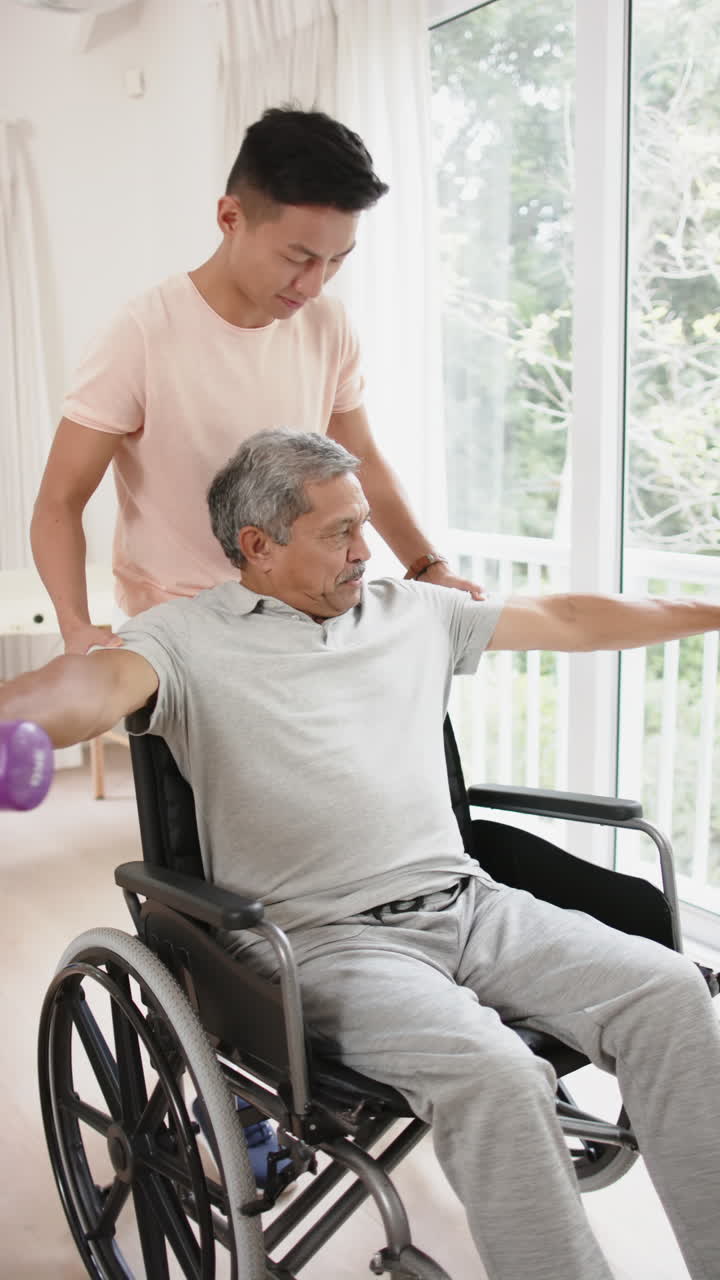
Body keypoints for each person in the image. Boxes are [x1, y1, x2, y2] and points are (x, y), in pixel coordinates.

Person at [4, 428, 719, 1280]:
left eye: (365, 524)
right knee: (496, 1073)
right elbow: (90, 682)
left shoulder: (413, 613)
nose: (366, 549)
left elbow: (566, 616)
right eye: (339, 531)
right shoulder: (184, 639)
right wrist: (21, 728)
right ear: (258, 546)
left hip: (469, 905)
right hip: (322, 945)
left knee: (670, 993)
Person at [30, 106, 481, 658]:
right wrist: (75, 628)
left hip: (303, 624)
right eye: (298, 257)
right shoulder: (142, 334)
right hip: (180, 636)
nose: (314, 284)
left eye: (336, 260)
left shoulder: (328, 326)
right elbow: (59, 501)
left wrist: (427, 567)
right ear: (230, 218)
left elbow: (361, 458)